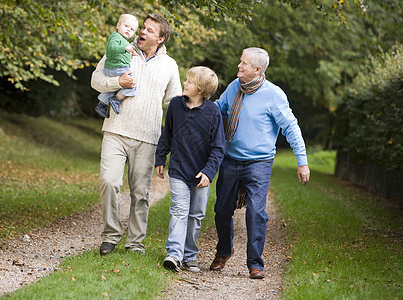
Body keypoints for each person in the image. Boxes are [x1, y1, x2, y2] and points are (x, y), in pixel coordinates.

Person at [209, 47, 311, 279]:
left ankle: (255, 263)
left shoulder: (274, 94)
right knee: (222, 210)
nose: (239, 66)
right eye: (240, 61)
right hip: (230, 158)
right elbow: (218, 109)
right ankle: (224, 250)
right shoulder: (234, 88)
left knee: (256, 212)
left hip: (259, 162)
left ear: (257, 69)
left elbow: (291, 127)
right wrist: (196, 109)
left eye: (243, 63)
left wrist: (302, 161)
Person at [90, 13, 182, 255]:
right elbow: (96, 80)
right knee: (109, 182)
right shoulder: (121, 49)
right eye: (143, 27)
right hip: (115, 130)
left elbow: (175, 103)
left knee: (141, 193)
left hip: (148, 137)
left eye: (150, 30)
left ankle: (134, 243)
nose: (142, 32)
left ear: (160, 39)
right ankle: (110, 235)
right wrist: (116, 81)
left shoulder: (170, 66)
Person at [155, 66, 225, 273]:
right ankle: (174, 255)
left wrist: (209, 172)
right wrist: (161, 157)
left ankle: (189, 255)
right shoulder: (176, 104)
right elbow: (166, 133)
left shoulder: (213, 112)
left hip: (201, 174)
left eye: (189, 81)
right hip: (178, 170)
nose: (184, 83)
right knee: (179, 210)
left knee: (196, 215)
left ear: (201, 89)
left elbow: (218, 147)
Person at [95, 14, 139, 118]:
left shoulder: (125, 42)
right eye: (126, 26)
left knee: (114, 88)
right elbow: (111, 49)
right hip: (115, 68)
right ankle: (116, 99)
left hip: (116, 67)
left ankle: (102, 104)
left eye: (132, 29)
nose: (128, 30)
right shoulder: (115, 36)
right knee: (132, 85)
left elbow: (121, 51)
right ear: (118, 26)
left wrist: (130, 53)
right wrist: (125, 48)